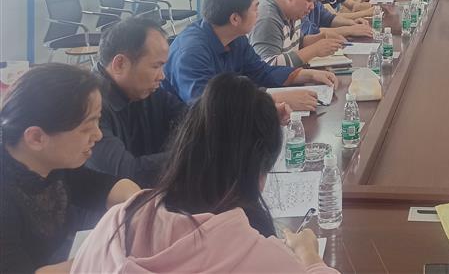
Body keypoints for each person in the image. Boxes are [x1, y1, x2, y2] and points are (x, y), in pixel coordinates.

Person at [73, 73, 339, 274]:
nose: (162, 74)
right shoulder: (259, 257)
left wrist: (248, 123)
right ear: (258, 170)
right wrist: (309, 257)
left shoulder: (115, 225)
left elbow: (212, 120)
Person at [1, 63, 141, 274]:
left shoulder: (50, 164)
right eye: (86, 128)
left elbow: (102, 186)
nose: (98, 135)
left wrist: (138, 203)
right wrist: (97, 258)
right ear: (36, 138)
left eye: (98, 121)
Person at [163, 0, 336, 111]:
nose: (258, 14)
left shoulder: (236, 38)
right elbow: (206, 106)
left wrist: (308, 75)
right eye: (255, 8)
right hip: (188, 134)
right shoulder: (191, 53)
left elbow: (261, 72)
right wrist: (274, 99)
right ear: (235, 18)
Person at [87, 17, 187, 187]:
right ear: (120, 64)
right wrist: (191, 154)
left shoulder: (146, 90)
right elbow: (127, 173)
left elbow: (191, 118)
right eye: (156, 66)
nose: (162, 76)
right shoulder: (87, 107)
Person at [249, 0, 345, 68]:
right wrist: (315, 50)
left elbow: (298, 43)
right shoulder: (268, 19)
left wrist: (321, 37)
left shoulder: (293, 13)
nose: (312, 7)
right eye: (309, 0)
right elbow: (267, 66)